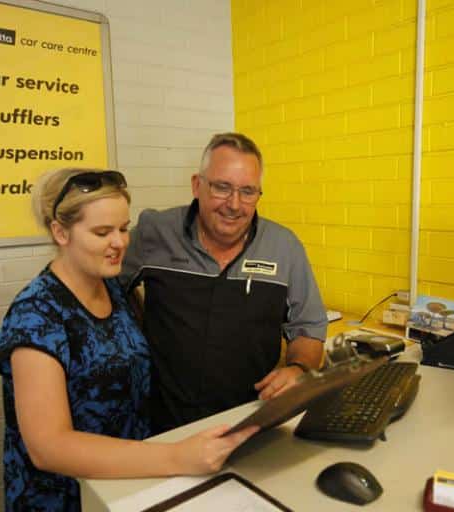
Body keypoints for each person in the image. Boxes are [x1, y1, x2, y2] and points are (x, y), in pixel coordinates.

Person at [0, 168, 257, 511]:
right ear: (60, 232)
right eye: (102, 232)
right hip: (65, 499)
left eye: (122, 228)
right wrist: (176, 456)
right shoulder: (36, 316)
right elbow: (49, 448)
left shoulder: (115, 290)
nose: (119, 243)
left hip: (128, 485)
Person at [121, 132, 327, 433]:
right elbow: (102, 286)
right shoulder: (155, 232)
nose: (234, 204)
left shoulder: (284, 247)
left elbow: (309, 327)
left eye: (248, 191)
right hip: (163, 427)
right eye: (222, 187)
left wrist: (299, 368)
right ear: (197, 185)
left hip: (249, 423)